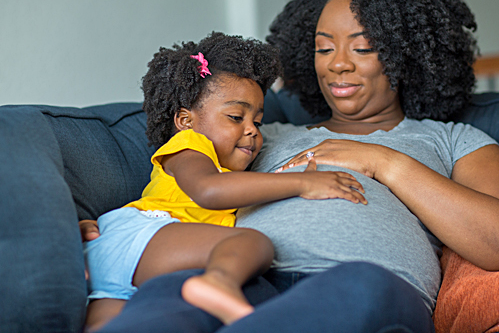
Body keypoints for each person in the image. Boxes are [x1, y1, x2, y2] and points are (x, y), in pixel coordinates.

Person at [82, 0, 499, 333]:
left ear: (405, 52)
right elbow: (186, 193)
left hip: (365, 289)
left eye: (363, 48)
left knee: (360, 285)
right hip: (243, 277)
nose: (338, 64)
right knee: (170, 294)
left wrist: (383, 162)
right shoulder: (258, 133)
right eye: (323, 48)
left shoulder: (452, 139)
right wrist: (113, 229)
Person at [82, 32, 366, 331]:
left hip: (124, 271)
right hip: (144, 234)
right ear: (185, 121)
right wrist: (302, 184)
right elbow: (209, 191)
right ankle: (220, 281)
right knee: (250, 242)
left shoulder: (230, 169)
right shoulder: (189, 147)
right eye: (235, 117)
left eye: (257, 121)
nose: (253, 131)